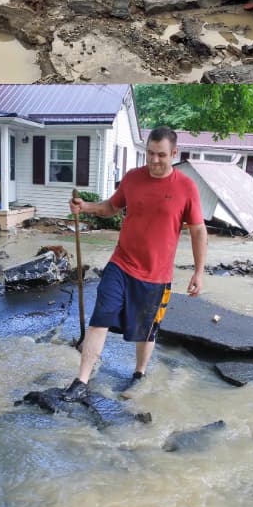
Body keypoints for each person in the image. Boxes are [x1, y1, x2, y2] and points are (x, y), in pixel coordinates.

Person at [60, 126, 207, 401]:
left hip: (156, 275)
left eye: (161, 155)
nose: (153, 160)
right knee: (99, 319)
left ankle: (139, 374)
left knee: (146, 331)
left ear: (174, 153)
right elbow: (111, 208)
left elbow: (198, 230)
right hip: (121, 264)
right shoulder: (132, 179)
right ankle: (81, 381)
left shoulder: (186, 187)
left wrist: (199, 272)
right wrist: (86, 207)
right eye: (150, 153)